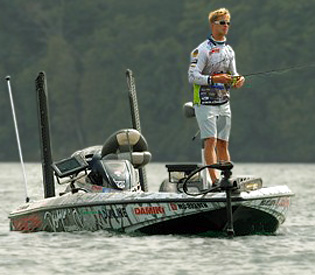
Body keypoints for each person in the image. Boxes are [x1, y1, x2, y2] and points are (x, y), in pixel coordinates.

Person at [188, 8, 245, 186]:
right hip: (204, 102)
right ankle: (214, 181)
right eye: (222, 23)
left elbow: (233, 74)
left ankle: (225, 180)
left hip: (224, 101)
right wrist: (214, 79)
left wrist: (238, 80)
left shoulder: (229, 50)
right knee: (210, 140)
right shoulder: (201, 50)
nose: (226, 26)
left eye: (228, 23)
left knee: (223, 143)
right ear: (213, 25)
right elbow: (192, 77)